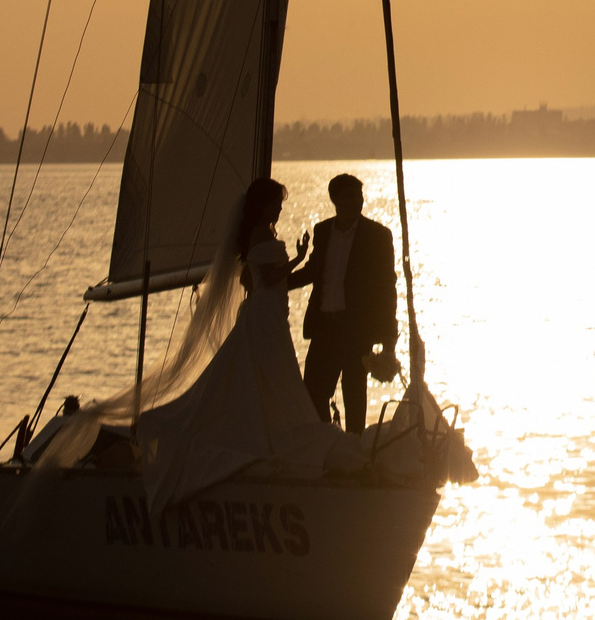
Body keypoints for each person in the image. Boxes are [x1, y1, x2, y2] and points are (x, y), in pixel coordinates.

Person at [31, 177, 365, 515]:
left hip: (270, 315)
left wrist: (301, 266)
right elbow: (268, 278)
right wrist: (299, 258)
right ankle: (249, 438)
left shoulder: (260, 235)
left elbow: (256, 279)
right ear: (264, 204)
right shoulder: (261, 234)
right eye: (276, 202)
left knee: (266, 380)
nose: (280, 208)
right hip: (265, 318)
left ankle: (266, 432)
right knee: (272, 378)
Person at [292, 172, 399, 430]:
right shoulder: (323, 231)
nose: (357, 201)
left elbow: (387, 289)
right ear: (335, 199)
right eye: (350, 196)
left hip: (356, 331)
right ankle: (328, 444)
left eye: (360, 196)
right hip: (324, 328)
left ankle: (354, 453)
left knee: (354, 399)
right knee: (313, 395)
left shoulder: (377, 235)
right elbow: (314, 271)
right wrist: (276, 282)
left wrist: (388, 341)